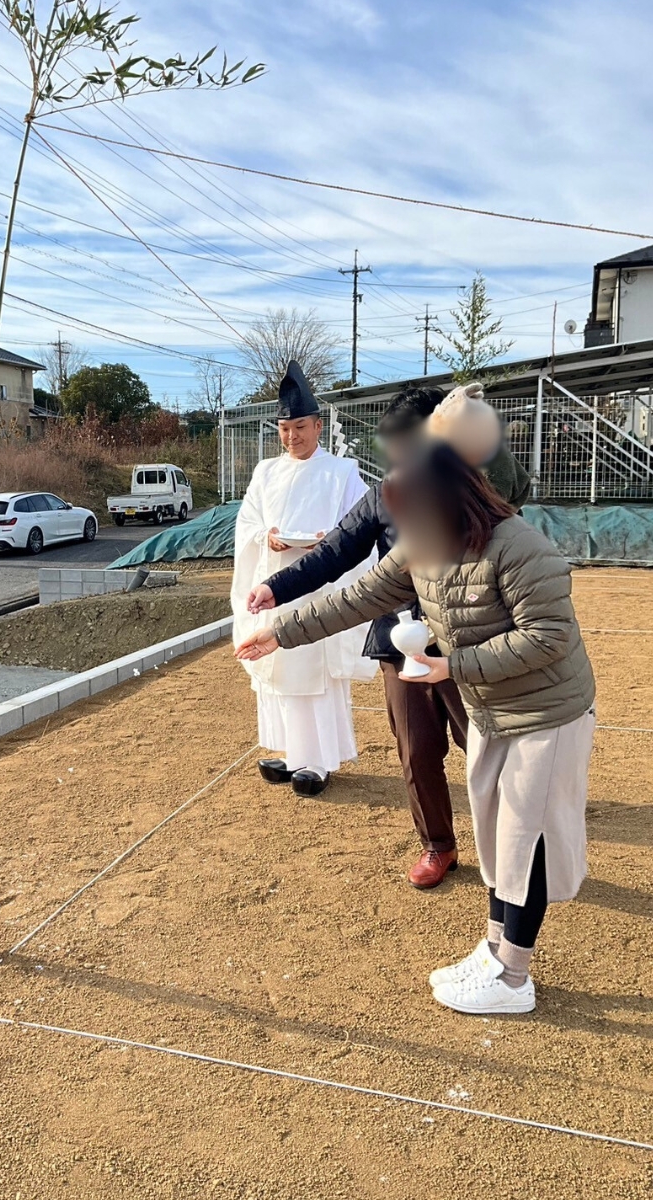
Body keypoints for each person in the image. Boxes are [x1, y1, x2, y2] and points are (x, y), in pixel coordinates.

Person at [237, 442, 595, 1015]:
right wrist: (282, 629)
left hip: (545, 711)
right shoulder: (422, 542)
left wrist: (455, 667)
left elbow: (548, 636)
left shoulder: (520, 546)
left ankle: (512, 977)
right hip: (492, 708)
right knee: (498, 832)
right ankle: (495, 947)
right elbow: (360, 595)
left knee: (526, 837)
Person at [246, 384, 529, 889]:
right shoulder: (386, 496)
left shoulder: (481, 489)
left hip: (471, 639)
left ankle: (517, 841)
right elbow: (334, 553)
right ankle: (438, 845)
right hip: (403, 639)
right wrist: (275, 586)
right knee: (416, 750)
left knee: (487, 747)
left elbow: (516, 490)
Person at [231, 360, 377, 798]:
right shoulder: (266, 472)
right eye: (284, 428)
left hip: (320, 589)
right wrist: (266, 537)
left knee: (314, 671)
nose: (292, 436)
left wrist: (329, 541)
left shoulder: (342, 473)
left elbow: (362, 527)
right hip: (273, 581)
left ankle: (318, 760)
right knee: (275, 667)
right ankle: (291, 752)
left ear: (318, 426)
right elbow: (247, 521)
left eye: (300, 427)